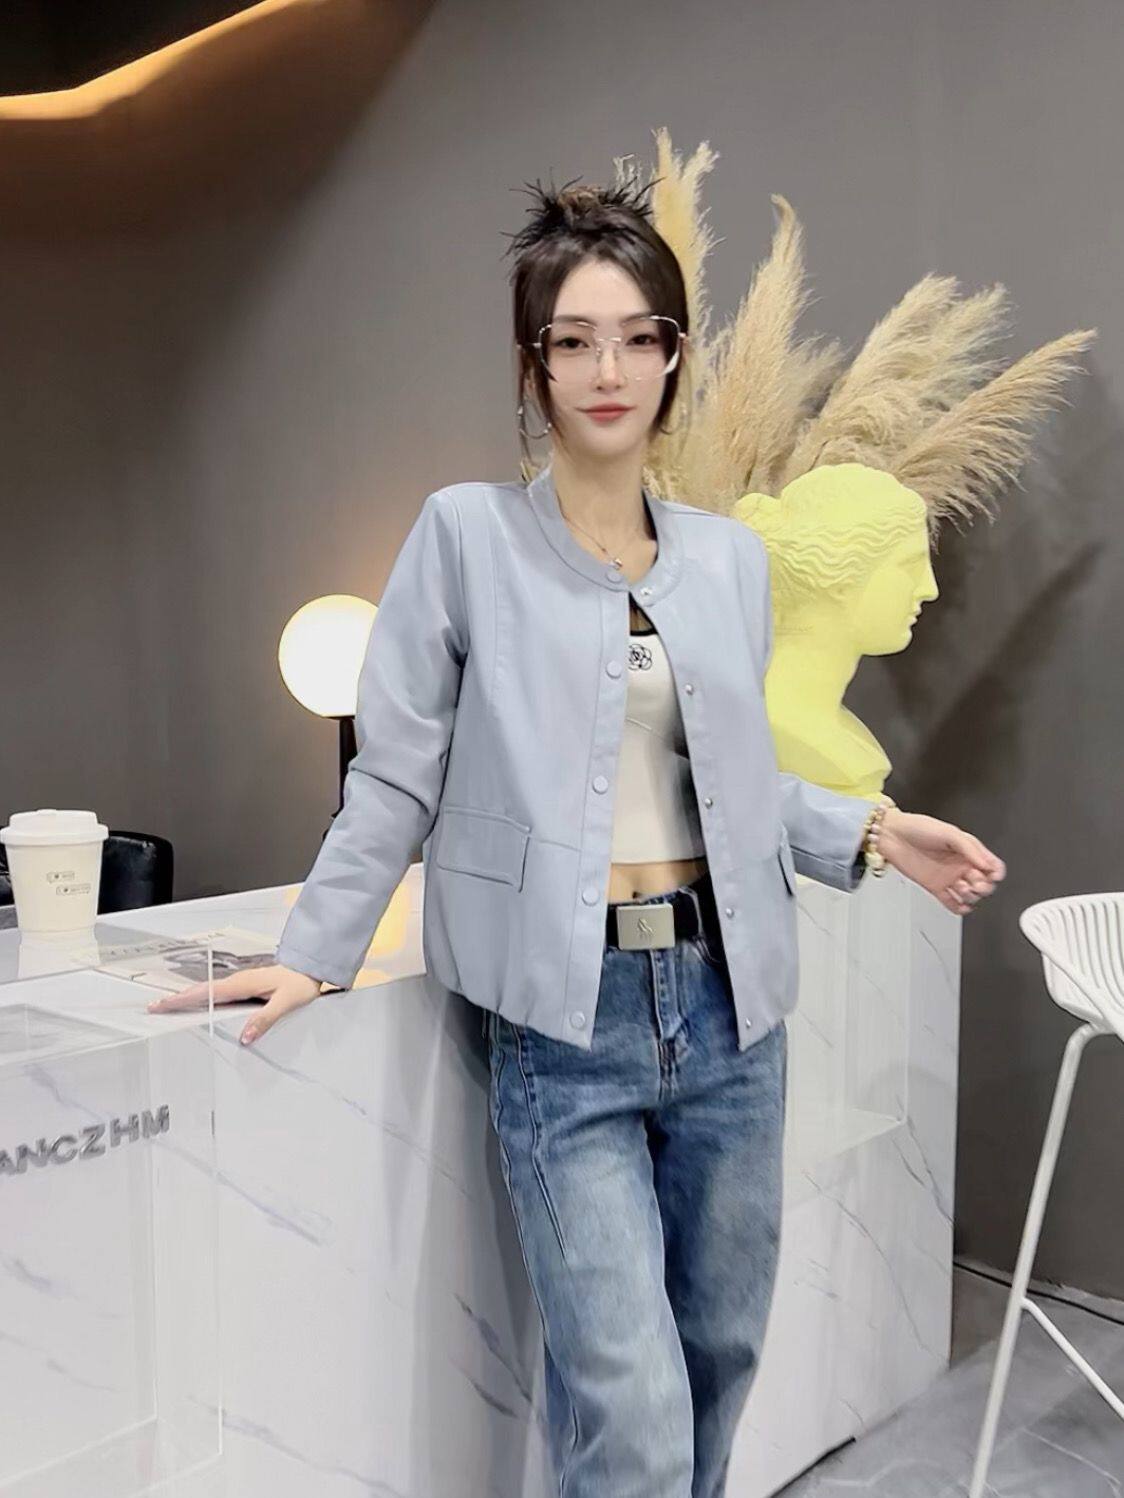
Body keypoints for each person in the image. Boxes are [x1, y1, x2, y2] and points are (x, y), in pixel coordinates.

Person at [149, 179, 1005, 1497]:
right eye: (575, 339)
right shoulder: (466, 537)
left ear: (673, 355)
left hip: (733, 1013)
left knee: (718, 1358)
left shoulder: (729, 561)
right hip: (566, 1021)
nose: (608, 369)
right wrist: (314, 951)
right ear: (534, 363)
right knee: (631, 1403)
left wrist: (877, 831)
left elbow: (726, 782)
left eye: (636, 337)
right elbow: (396, 772)